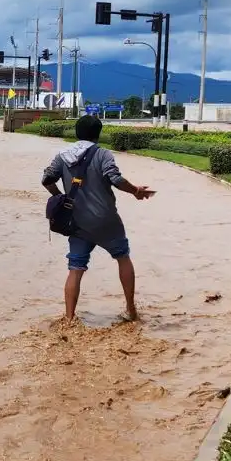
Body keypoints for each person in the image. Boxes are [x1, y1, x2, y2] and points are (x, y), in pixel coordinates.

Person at [41, 115, 154, 323]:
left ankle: (69, 319)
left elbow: (46, 179)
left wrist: (60, 197)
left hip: (77, 222)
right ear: (98, 134)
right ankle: (130, 311)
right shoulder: (103, 155)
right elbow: (116, 179)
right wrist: (136, 191)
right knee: (122, 257)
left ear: (76, 132)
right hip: (106, 220)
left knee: (75, 268)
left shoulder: (62, 156)